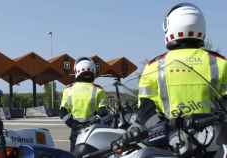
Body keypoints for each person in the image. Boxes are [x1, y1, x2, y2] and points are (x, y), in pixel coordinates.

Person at [117, 2, 227, 157]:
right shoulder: (220, 63)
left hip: (171, 146)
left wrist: (169, 131)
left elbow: (146, 112)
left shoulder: (154, 66)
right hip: (212, 146)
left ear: (170, 27)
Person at [59, 57, 108, 152]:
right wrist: (93, 121)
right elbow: (103, 111)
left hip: (75, 130)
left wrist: (74, 124)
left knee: (74, 154)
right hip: (92, 129)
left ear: (77, 71)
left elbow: (62, 112)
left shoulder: (68, 90)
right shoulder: (98, 90)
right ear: (93, 71)